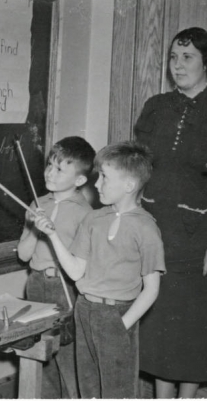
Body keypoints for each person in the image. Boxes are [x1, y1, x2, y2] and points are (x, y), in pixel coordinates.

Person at [134, 27, 207, 398]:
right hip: (155, 230)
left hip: (199, 236)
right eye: (172, 57)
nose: (177, 65)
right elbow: (138, 170)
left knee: (191, 329)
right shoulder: (155, 107)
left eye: (187, 57)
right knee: (158, 328)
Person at [34, 141, 166, 399]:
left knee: (117, 390)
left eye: (104, 177)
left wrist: (122, 325)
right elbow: (74, 272)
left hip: (117, 313)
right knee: (88, 387)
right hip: (84, 309)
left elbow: (151, 289)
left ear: (129, 185)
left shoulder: (146, 228)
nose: (96, 184)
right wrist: (52, 235)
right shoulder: (93, 219)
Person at [16, 136, 95, 398]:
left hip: (64, 289)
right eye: (50, 164)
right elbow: (25, 256)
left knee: (68, 360)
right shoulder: (38, 204)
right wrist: (32, 228)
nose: (50, 172)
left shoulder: (85, 213)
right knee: (40, 356)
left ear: (80, 180)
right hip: (36, 284)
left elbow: (82, 265)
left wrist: (53, 233)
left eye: (60, 169)